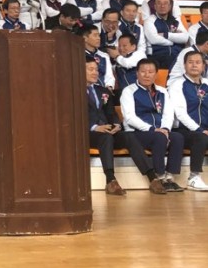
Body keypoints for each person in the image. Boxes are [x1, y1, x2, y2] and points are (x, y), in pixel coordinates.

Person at [121, 58, 185, 193]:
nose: (147, 75)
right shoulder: (129, 91)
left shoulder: (162, 91)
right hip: (136, 133)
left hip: (159, 131)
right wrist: (153, 129)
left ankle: (170, 178)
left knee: (178, 137)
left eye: (150, 72)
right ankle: (159, 177)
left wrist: (165, 129)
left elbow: (168, 114)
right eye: (143, 71)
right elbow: (130, 117)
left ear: (156, 74)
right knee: (159, 137)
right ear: (137, 73)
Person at [83, 58, 144, 196]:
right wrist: (94, 127)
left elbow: (111, 113)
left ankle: (152, 177)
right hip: (87, 133)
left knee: (128, 136)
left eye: (96, 69)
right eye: (91, 69)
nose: (95, 73)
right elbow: (72, 116)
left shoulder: (103, 90)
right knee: (106, 137)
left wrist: (116, 124)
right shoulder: (71, 92)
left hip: (106, 131)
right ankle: (110, 180)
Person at [168, 51, 208, 191]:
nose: (194, 65)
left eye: (198, 62)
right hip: (183, 130)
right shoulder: (177, 84)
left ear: (204, 66)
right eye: (190, 62)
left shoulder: (207, 84)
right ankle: (193, 177)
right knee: (201, 137)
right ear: (184, 65)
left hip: (204, 130)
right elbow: (180, 114)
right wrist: (200, 130)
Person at [144, 0, 189, 70]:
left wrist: (166, 35)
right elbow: (154, 39)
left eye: (165, 3)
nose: (162, 6)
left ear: (170, 6)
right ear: (155, 6)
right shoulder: (149, 21)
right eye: (159, 3)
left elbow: (185, 38)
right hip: (157, 58)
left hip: (177, 57)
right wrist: (174, 41)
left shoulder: (176, 20)